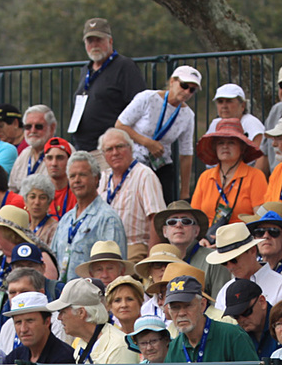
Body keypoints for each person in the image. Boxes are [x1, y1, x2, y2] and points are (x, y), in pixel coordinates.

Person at [116, 65, 201, 193]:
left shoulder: (188, 115)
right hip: (132, 159)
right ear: (172, 82)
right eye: (184, 85)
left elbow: (186, 153)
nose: (187, 92)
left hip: (161, 165)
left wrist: (184, 191)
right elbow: (120, 125)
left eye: (192, 90)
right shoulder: (147, 98)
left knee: (162, 205)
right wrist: (148, 142)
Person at [71, 18, 146, 152]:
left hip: (109, 149)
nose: (94, 45)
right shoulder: (86, 70)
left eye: (99, 40)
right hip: (82, 148)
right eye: (90, 41)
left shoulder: (125, 67)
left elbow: (140, 107)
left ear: (110, 41)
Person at [52, 151, 127, 285]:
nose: (77, 180)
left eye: (83, 175)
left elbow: (116, 269)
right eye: (72, 176)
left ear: (96, 178)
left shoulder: (108, 218)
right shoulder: (65, 220)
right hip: (64, 298)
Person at [98, 128, 165, 253]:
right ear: (103, 155)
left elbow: (156, 218)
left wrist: (151, 259)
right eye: (109, 149)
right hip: (104, 248)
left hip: (133, 247)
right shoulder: (102, 178)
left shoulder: (144, 175)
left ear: (130, 148)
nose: (115, 153)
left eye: (119, 147)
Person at [191, 119, 267, 230]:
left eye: (231, 142)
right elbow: (195, 217)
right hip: (208, 239)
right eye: (221, 142)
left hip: (242, 239)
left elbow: (260, 218)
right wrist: (202, 239)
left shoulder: (255, 176)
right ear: (215, 147)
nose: (225, 146)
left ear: (242, 148)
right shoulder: (205, 177)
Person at [208, 223, 282, 312]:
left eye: (234, 260)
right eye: (224, 263)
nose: (230, 266)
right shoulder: (225, 291)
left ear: (252, 251)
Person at [9, 105, 58, 194]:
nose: (33, 130)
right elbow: (12, 189)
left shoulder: (63, 152)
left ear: (52, 128)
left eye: (38, 126)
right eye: (28, 127)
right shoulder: (24, 154)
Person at [221, 279, 274, 358]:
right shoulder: (236, 336)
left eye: (246, 312)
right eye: (235, 316)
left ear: (262, 302)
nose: (241, 320)